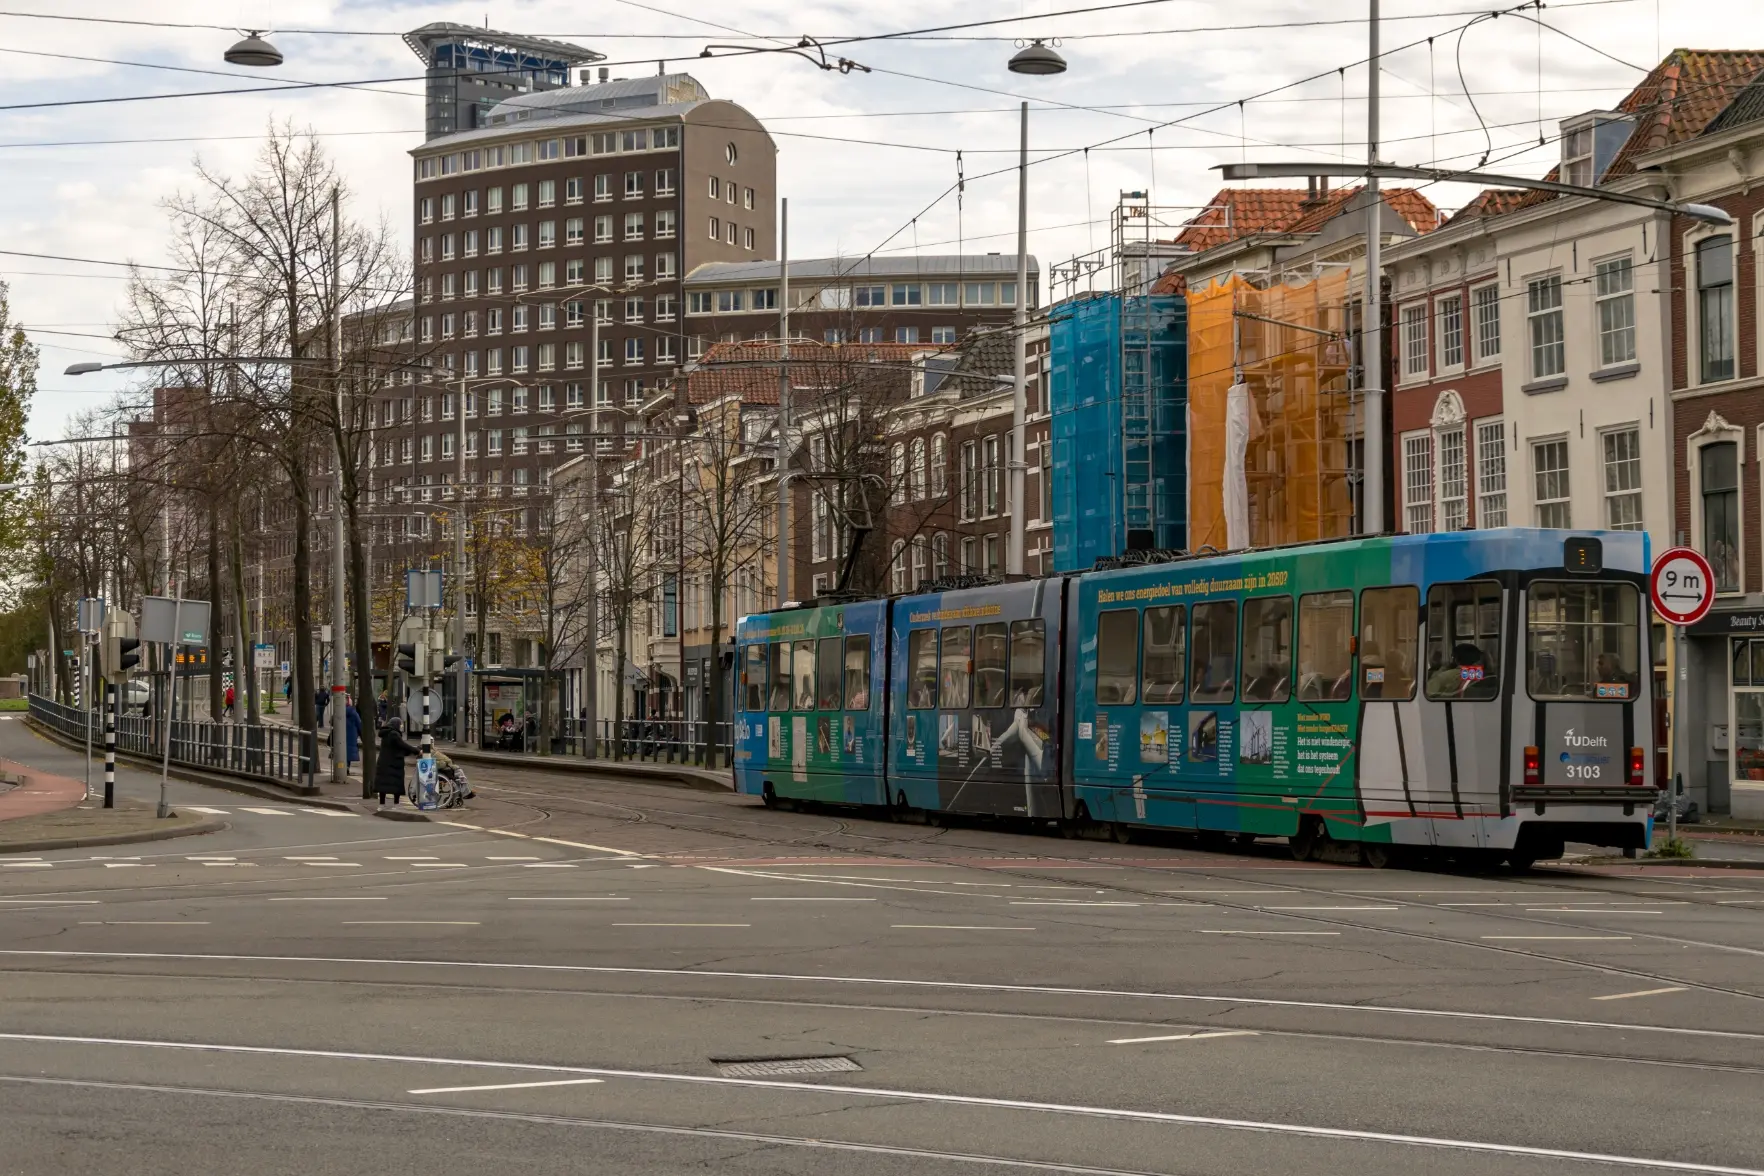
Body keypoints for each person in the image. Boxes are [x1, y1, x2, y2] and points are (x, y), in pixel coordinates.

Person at [374, 716, 419, 806]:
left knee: (383, 785)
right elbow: (403, 745)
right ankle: (396, 804)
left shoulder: (386, 734)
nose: (401, 727)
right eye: (400, 725)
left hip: (383, 763)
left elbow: (397, 748)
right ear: (397, 725)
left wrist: (409, 752)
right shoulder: (394, 734)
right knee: (396, 785)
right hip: (394, 763)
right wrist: (417, 751)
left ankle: (381, 805)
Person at [344, 695, 362, 774]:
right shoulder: (354, 713)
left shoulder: (338, 712)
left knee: (341, 750)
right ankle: (347, 767)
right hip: (351, 736)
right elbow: (359, 725)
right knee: (349, 752)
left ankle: (341, 767)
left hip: (341, 735)